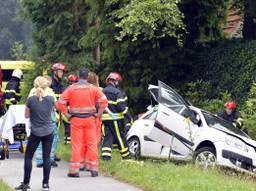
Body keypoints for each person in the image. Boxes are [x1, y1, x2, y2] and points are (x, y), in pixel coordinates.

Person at [56, 68, 108, 177]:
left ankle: (75, 171)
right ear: (87, 76)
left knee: (77, 144)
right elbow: (104, 101)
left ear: (78, 76)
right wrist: (98, 114)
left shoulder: (71, 88)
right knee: (92, 144)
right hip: (90, 120)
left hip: (76, 120)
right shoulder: (93, 88)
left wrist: (67, 114)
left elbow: (60, 103)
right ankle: (94, 169)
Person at [15, 76, 55, 191]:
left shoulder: (31, 99)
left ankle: (26, 184)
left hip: (36, 132)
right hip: (48, 131)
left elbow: (26, 115)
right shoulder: (51, 99)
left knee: (28, 156)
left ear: (35, 85)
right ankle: (45, 184)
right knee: (46, 157)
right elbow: (51, 112)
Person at [28, 76, 59, 168]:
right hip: (48, 119)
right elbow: (56, 106)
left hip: (35, 120)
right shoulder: (49, 91)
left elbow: (28, 106)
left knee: (38, 140)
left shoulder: (32, 91)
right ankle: (50, 158)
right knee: (53, 138)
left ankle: (40, 160)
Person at [101, 72, 131, 161]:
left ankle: (106, 157)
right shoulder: (117, 92)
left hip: (105, 120)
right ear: (116, 81)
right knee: (120, 138)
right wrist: (129, 117)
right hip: (116, 119)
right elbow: (121, 107)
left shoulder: (102, 91)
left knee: (108, 137)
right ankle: (126, 157)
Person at [62, 74, 79, 144]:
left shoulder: (66, 89)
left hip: (67, 110)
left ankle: (67, 141)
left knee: (67, 127)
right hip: (71, 110)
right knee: (69, 127)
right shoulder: (76, 89)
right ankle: (68, 142)